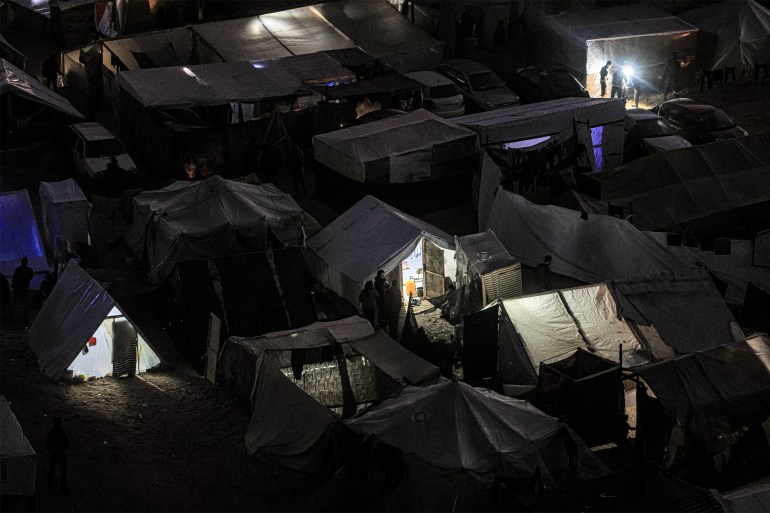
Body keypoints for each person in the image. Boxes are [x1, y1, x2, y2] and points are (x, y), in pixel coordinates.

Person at [46, 416, 70, 493]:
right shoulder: (63, 433)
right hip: (62, 453)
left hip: (54, 453)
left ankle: (50, 480)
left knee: (52, 467)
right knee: (63, 470)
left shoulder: (51, 433)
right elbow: (67, 444)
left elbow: (47, 445)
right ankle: (64, 486)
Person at [11, 257, 33, 324]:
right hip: (25, 289)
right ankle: (25, 318)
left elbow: (14, 279)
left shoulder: (18, 270)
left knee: (16, 303)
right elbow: (31, 277)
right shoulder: (30, 270)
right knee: (26, 303)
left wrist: (14, 286)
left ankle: (16, 317)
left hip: (18, 289)